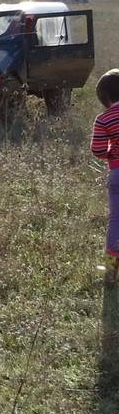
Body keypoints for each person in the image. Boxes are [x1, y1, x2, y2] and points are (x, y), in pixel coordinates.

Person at [91, 69, 119, 279]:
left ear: (104, 97)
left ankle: (111, 269)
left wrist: (111, 154)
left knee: (116, 220)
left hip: (117, 173)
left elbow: (98, 150)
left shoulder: (104, 119)